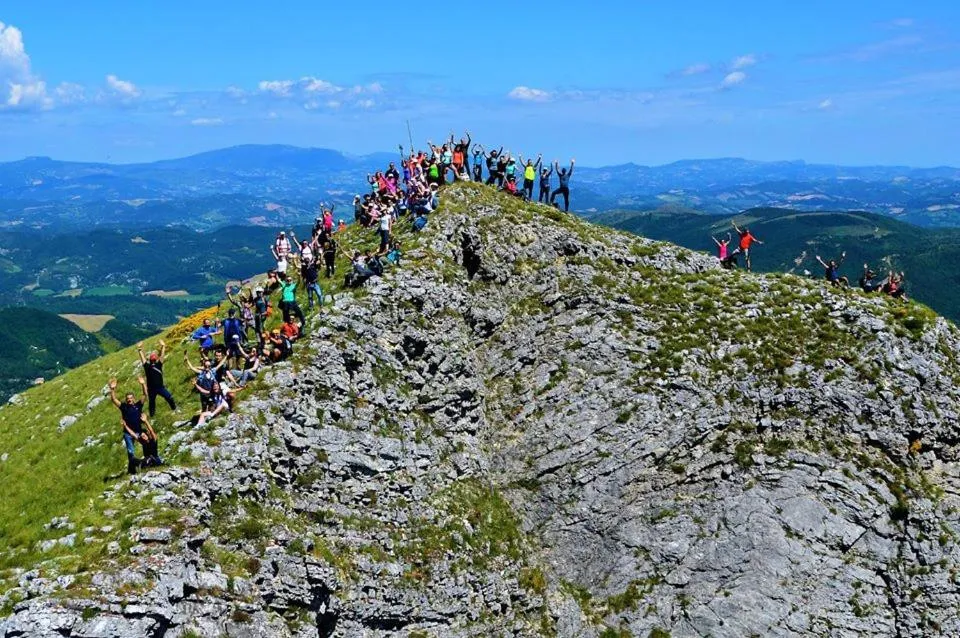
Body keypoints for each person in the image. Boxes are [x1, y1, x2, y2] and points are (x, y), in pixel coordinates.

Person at [108, 376, 160, 474]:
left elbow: (145, 394)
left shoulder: (138, 405)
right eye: (127, 399)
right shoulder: (123, 407)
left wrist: (143, 384)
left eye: (131, 398)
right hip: (128, 433)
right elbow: (114, 399)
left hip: (139, 431)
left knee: (148, 444)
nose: (129, 400)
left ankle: (135, 467)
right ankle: (133, 469)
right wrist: (112, 390)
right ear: (126, 399)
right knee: (131, 452)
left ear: (134, 398)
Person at [137, 340, 176, 417]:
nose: (153, 359)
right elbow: (143, 359)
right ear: (151, 360)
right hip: (152, 389)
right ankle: (152, 415)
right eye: (153, 358)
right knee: (152, 403)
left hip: (159, 387)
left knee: (168, 397)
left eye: (154, 358)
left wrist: (163, 346)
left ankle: (174, 409)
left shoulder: (157, 365)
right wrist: (139, 349)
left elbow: (162, 356)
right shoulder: (148, 366)